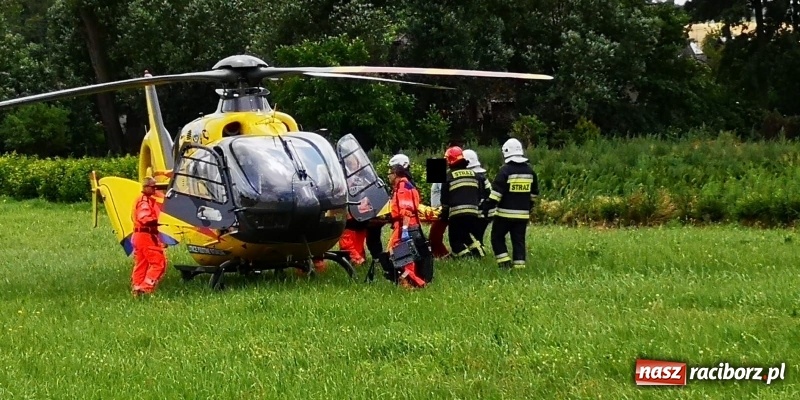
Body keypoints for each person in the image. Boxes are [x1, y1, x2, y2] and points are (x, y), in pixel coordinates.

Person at [481, 138, 539, 269]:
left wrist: (487, 207)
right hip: (522, 216)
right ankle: (519, 267)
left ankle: (504, 263)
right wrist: (528, 207)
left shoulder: (505, 171)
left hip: (504, 215)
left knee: (497, 237)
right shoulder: (530, 171)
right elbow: (534, 194)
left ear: (506, 152)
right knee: (518, 241)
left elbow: (496, 194)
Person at [384, 161, 432, 288]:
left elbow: (406, 210)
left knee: (403, 258)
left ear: (395, 174)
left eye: (389, 174)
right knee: (403, 257)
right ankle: (407, 282)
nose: (388, 176)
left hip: (405, 227)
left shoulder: (403, 188)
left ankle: (415, 283)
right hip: (411, 226)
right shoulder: (408, 186)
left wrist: (404, 230)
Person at [440, 146, 484, 258]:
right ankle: (478, 253)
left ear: (449, 160)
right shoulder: (475, 175)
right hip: (473, 214)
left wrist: (444, 217)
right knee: (466, 235)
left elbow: (444, 201)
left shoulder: (448, 176)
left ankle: (466, 257)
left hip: (457, 214)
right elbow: (480, 195)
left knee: (455, 241)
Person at [131, 177, 167, 296]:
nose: (155, 189)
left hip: (139, 236)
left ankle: (137, 288)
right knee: (159, 263)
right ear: (145, 187)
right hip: (146, 236)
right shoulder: (144, 202)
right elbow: (145, 219)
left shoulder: (144, 200)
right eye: (153, 187)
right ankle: (146, 288)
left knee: (142, 264)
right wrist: (161, 221)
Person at [463, 149, 491, 250]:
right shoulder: (482, 177)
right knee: (478, 237)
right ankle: (478, 251)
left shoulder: (472, 179)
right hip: (486, 213)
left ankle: (478, 254)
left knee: (473, 237)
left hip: (477, 213)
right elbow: (490, 192)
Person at [428, 181, 450, 258]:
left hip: (441, 211)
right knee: (434, 236)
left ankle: (442, 254)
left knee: (434, 235)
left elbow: (444, 192)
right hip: (437, 212)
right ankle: (441, 254)